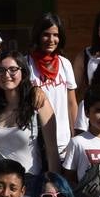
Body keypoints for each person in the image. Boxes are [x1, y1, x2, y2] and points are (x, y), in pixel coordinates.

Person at [0, 49, 60, 181]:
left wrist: (54, 185)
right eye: (1, 70)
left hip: (29, 182)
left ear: (23, 72)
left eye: (13, 69)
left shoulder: (38, 102)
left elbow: (52, 150)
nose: (6, 74)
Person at [27, 13, 78, 159]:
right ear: (37, 35)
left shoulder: (65, 64)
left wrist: (75, 136)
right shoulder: (25, 64)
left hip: (63, 142)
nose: (51, 40)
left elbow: (71, 103)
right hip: (33, 143)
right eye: (46, 35)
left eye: (55, 35)